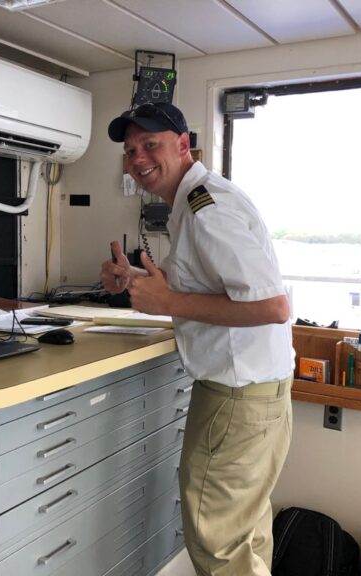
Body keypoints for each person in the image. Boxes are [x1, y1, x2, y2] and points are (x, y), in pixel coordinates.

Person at [100, 102, 295, 576]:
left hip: (236, 401)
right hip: (258, 395)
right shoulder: (196, 202)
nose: (137, 159)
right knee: (245, 535)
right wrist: (139, 281)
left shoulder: (207, 207)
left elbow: (272, 307)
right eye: (129, 151)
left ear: (184, 144)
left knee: (219, 543)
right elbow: (210, 283)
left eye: (150, 145)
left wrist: (167, 303)